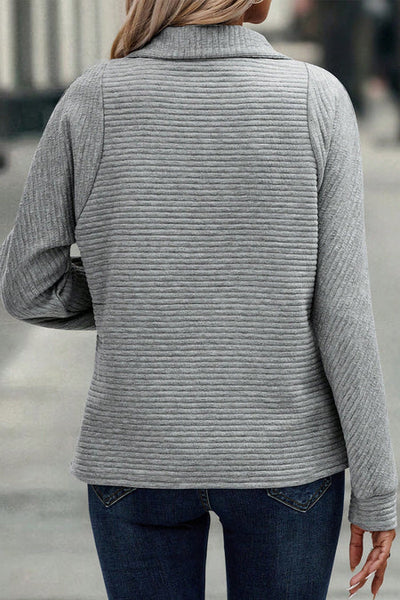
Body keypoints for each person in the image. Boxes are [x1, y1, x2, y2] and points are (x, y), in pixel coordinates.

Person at [0, 1, 397, 598]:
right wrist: (377, 489)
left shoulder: (91, 99)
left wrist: (139, 294)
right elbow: (341, 311)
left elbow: (27, 284)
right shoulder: (315, 98)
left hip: (136, 453)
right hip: (285, 459)